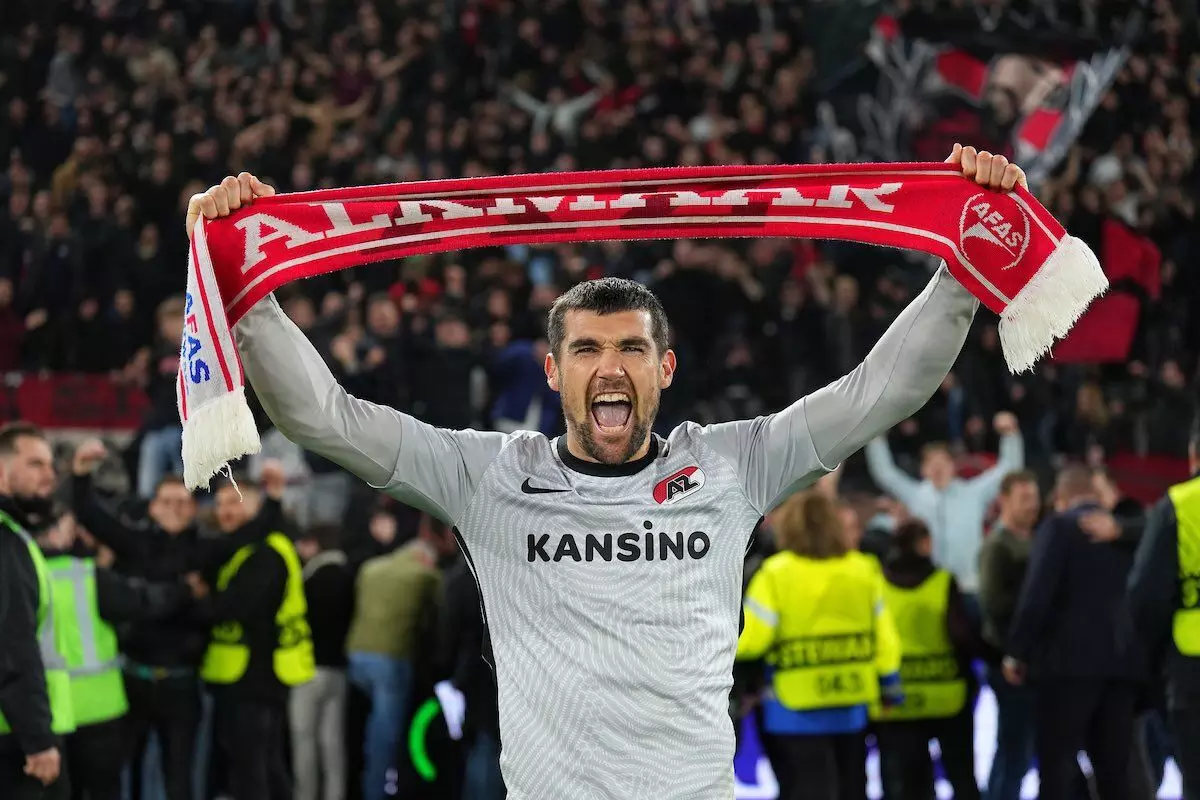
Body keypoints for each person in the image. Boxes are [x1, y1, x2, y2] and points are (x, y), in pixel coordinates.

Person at [187, 144, 1025, 798]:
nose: (609, 366)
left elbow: (881, 392)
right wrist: (248, 288)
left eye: (631, 347)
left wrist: (962, 264)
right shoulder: (488, 477)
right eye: (586, 349)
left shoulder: (732, 463)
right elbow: (323, 417)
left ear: (666, 367)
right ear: (552, 373)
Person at [69, 440, 280, 800]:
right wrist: (81, 473)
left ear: (194, 509)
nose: (174, 508)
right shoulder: (134, 542)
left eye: (183, 502)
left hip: (183, 685)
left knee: (178, 777)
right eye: (166, 501)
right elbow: (90, 514)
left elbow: (253, 533)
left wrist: (273, 498)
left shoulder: (205, 548)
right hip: (133, 677)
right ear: (152, 507)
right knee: (123, 774)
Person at [736, 490, 901, 800]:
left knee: (804, 791)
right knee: (852, 789)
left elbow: (752, 641)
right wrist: (890, 685)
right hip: (850, 705)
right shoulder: (863, 568)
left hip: (792, 711)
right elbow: (886, 638)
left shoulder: (776, 573)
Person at [1005, 465, 1146, 800]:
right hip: (1121, 668)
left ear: (1060, 498)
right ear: (1096, 496)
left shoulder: (1058, 527)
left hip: (1068, 670)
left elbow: (1036, 596)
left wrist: (1017, 651)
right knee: (1115, 772)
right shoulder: (1125, 533)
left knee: (1057, 767)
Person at [35, 511, 191, 800]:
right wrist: (182, 589)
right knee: (104, 791)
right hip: (99, 709)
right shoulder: (88, 576)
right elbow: (144, 602)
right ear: (60, 532)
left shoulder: (23, 575)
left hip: (46, 712)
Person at [197, 476, 314, 800]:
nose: (225, 512)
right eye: (220, 504)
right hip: (252, 675)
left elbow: (233, 607)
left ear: (257, 506)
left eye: (234, 502)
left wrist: (200, 598)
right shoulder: (244, 547)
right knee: (265, 764)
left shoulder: (265, 551)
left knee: (252, 770)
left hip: (255, 678)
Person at [865, 411, 1024, 624]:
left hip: (971, 589)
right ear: (923, 470)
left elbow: (1009, 471)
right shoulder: (916, 495)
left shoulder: (973, 493)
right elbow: (884, 473)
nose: (938, 468)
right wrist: (876, 437)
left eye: (943, 462)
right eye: (932, 463)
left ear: (953, 466)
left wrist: (1010, 436)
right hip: (931, 591)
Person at [873, 518, 982, 800]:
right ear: (923, 544)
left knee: (908, 782)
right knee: (961, 775)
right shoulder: (942, 581)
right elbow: (961, 634)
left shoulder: (877, 583)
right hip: (946, 694)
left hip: (898, 698)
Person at [0, 422, 75, 800]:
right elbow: (12, 647)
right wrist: (38, 739)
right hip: (16, 743)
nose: (50, 475)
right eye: (35, 464)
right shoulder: (5, 542)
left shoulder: (13, 534)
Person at [1128, 418, 1200, 797]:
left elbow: (1145, 595)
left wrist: (1153, 662)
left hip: (1191, 668)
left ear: (1193, 455)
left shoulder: (1177, 506)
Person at [344, 538, 442, 800]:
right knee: (385, 736)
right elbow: (438, 614)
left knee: (368, 725)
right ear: (424, 558)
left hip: (356, 657)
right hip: (391, 660)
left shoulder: (370, 568)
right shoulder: (425, 575)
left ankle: (360, 783)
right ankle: (377, 793)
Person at [977, 470, 1041, 800]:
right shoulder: (998, 546)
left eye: (1035, 497)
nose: (1033, 505)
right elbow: (993, 606)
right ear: (1004, 501)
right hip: (1009, 662)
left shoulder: (1035, 538)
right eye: (1024, 499)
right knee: (1015, 748)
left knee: (1016, 747)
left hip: (1028, 661)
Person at [290, 524, 354, 800]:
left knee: (304, 741)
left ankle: (305, 795)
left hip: (308, 670)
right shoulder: (350, 575)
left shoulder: (310, 580)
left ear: (313, 544)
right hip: (339, 671)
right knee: (333, 744)